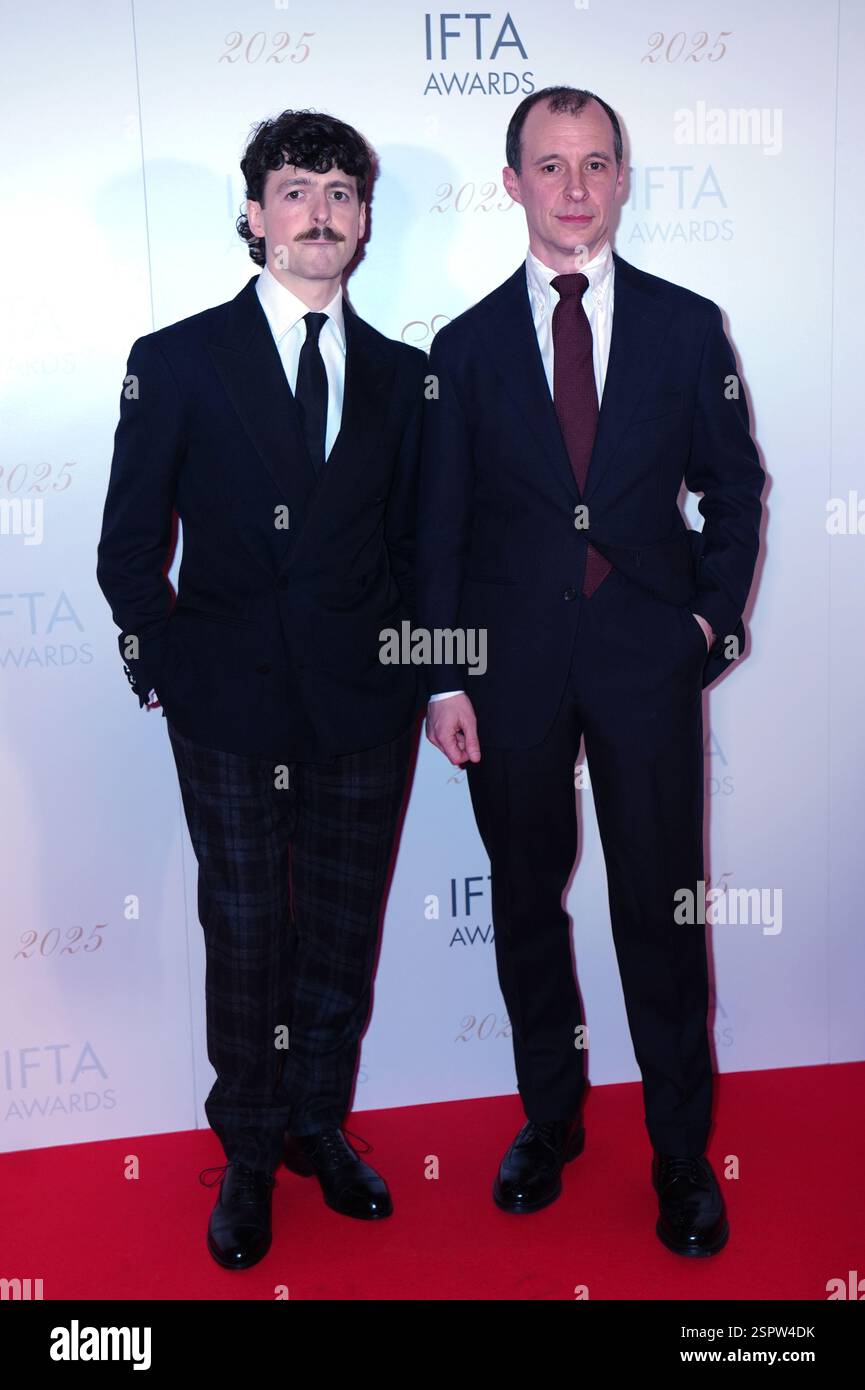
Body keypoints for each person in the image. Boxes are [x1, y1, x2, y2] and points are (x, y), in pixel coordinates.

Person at [417, 86, 764, 1256]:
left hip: (644, 663)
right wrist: (443, 678)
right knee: (525, 905)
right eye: (549, 165)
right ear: (510, 182)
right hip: (507, 676)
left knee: (659, 916)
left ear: (622, 179)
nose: (574, 186)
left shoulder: (683, 325)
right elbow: (437, 532)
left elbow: (733, 488)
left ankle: (680, 1155)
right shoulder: (458, 351)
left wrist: (707, 624)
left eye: (595, 163)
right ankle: (548, 1122)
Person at [97, 110, 426, 1269]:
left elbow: (424, 555)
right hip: (228, 706)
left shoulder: (405, 378)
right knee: (242, 933)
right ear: (254, 215)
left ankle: (315, 1126)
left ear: (365, 220)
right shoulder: (176, 360)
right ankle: (244, 1151)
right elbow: (129, 546)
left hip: (363, 708)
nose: (320, 210)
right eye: (295, 188)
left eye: (341, 190)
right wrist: (162, 669)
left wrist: (431, 682)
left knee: (339, 934)